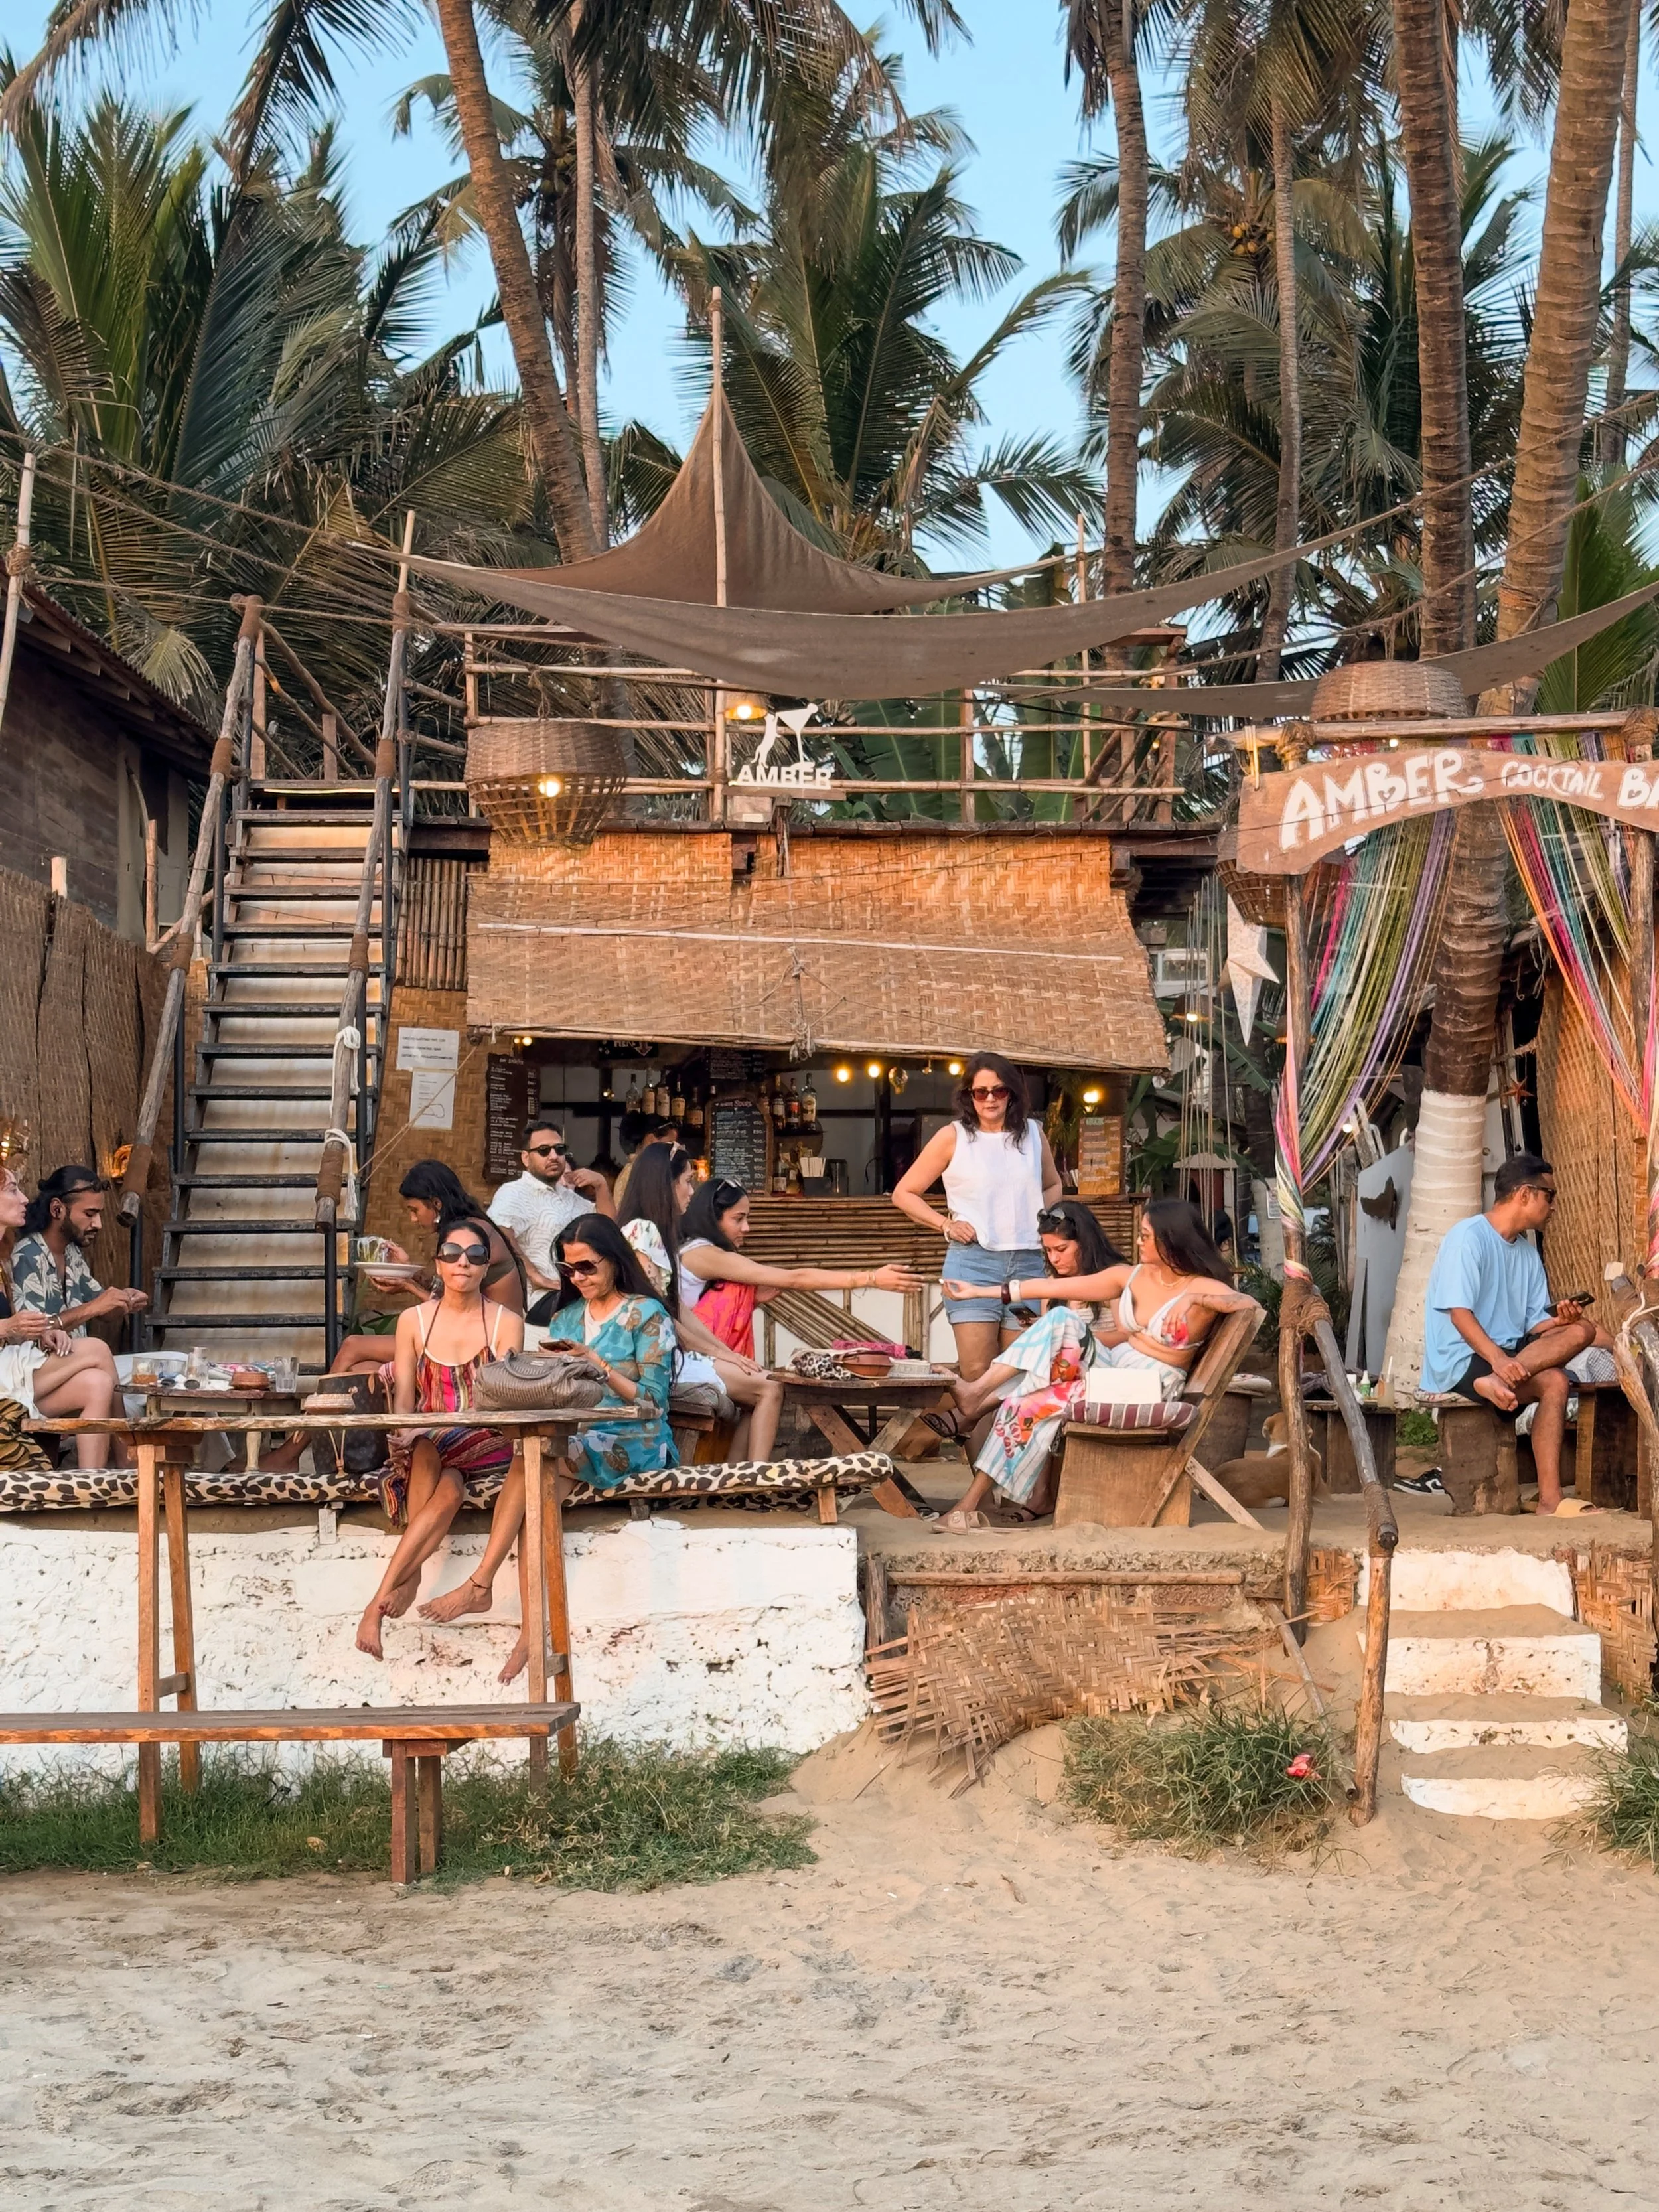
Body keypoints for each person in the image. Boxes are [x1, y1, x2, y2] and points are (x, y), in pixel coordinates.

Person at [419, 1215, 676, 1677]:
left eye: (587, 1267)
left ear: (615, 1260)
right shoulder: (566, 1316)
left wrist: (596, 1363)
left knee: (535, 1464)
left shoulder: (647, 1314)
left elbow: (654, 1403)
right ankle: (526, 1630)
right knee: (533, 1489)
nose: (577, 1278)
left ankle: (484, 1585)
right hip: (572, 1433)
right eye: (569, 1268)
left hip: (634, 1437)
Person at [937, 1198, 1256, 1528]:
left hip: (1149, 1384)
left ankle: (978, 1407)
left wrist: (1194, 1298)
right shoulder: (1131, 1276)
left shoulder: (1200, 1287)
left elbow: (1246, 1304)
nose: (1138, 1241)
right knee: (1059, 1325)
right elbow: (1051, 1286)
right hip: (1112, 1371)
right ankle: (971, 1480)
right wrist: (977, 1292)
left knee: (1033, 1401)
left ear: (1170, 1239)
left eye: (1145, 1236)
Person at [354, 1222, 526, 1657]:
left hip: (486, 1440)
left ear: (486, 1267)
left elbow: (499, 1407)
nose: (462, 1262)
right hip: (431, 1444)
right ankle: (402, 1583)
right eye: (451, 1253)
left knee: (430, 1446)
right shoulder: (413, 1321)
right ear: (438, 1263)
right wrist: (400, 1431)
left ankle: (382, 1596)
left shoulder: (507, 1322)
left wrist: (421, 1428)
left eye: (473, 1255)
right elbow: (408, 1402)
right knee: (442, 1477)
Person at [1419, 1152, 1595, 1515]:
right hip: (1463, 1358)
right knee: (1549, 1373)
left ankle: (1550, 1501)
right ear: (1525, 1193)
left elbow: (1535, 1326)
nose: (1553, 1206)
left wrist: (1561, 1320)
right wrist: (1497, 1360)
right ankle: (1489, 1379)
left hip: (1511, 1359)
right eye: (1551, 1195)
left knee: (1576, 1344)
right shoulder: (1468, 1237)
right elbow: (1459, 1315)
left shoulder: (1528, 1255)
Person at [892, 1054, 1063, 1381]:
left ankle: (1006, 1434)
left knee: (1019, 1373)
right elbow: (904, 1193)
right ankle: (974, 1434)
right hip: (973, 1264)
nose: (989, 1099)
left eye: (998, 1091)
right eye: (980, 1092)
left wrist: (1041, 1217)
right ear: (968, 1095)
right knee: (977, 1373)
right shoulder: (953, 1136)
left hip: (1027, 1264)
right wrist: (946, 1224)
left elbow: (1054, 1184)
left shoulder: (1032, 1132)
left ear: (1011, 1093)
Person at [618, 1142, 786, 1459]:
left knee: (760, 1382)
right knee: (770, 1387)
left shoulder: (653, 1232)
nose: (691, 1191)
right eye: (687, 1180)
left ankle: (735, 1481)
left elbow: (675, 1310)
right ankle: (752, 1482)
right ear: (665, 1185)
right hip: (651, 1361)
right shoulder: (643, 1232)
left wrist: (727, 1354)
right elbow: (658, 1317)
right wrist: (718, 1353)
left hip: (667, 1353)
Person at [678, 1177, 924, 1358]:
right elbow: (794, 1278)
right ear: (712, 1218)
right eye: (738, 1219)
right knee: (767, 1390)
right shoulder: (705, 1253)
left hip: (696, 1351)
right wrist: (870, 1278)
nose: (747, 1229)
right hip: (692, 1356)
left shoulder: (702, 1251)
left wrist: (750, 1300)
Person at [0, 1165, 127, 1469]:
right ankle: (130, 1467)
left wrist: (41, 1332)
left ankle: (91, 1486)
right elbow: (8, 1327)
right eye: (11, 1190)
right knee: (96, 1348)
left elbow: (16, 1325)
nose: (24, 1199)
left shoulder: (3, 1257)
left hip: (9, 1368)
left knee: (97, 1383)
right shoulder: (25, 1254)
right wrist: (8, 1327)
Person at [488, 1116, 614, 1325]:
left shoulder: (570, 1198)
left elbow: (611, 1232)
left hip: (578, 1292)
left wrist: (601, 1186)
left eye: (560, 1149)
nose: (554, 1156)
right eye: (544, 1151)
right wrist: (537, 1277)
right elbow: (500, 1235)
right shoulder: (514, 1193)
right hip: (541, 1298)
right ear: (526, 1158)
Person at [10, 1165, 150, 1337]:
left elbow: (102, 1310)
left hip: (78, 1359)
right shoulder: (26, 1256)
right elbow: (31, 1333)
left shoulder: (72, 1253)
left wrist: (124, 1300)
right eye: (90, 1214)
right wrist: (93, 1307)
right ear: (57, 1209)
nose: (98, 1224)